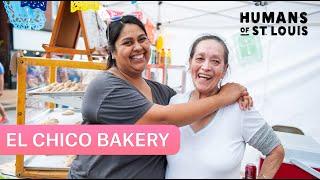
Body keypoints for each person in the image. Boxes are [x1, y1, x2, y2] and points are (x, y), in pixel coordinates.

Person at [68, 15, 253, 179]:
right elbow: (164, 119)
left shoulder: (162, 93)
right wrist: (224, 98)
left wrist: (234, 92)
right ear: (113, 52)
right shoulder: (105, 87)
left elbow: (191, 106)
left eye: (142, 39)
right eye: (127, 42)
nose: (138, 47)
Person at [165, 35, 285, 179]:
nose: (206, 67)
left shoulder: (240, 109)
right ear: (190, 63)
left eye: (215, 61)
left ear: (224, 69)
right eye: (200, 58)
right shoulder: (175, 103)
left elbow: (275, 151)